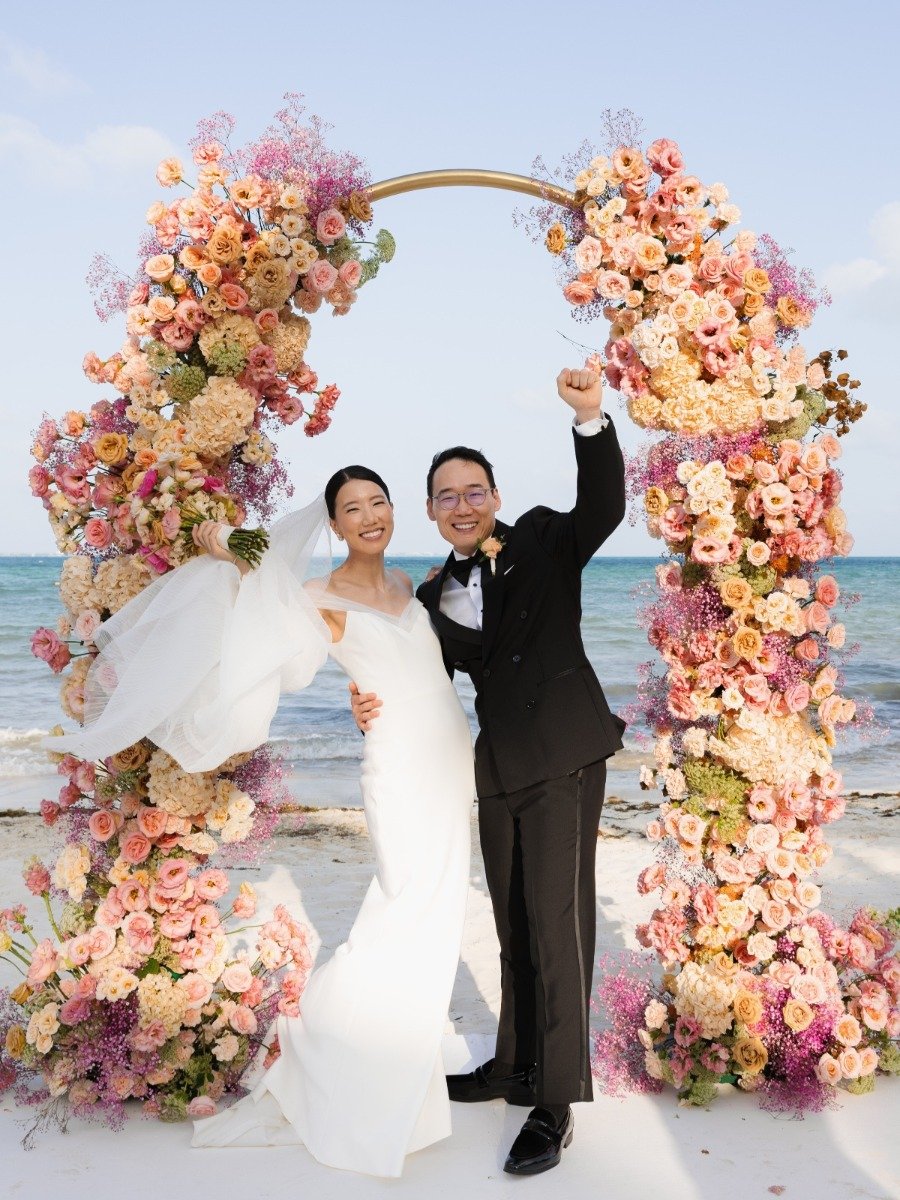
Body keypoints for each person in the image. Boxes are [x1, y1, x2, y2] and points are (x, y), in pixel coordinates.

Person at [42, 467, 475, 1179]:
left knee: (437, 909)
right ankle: (344, 1052)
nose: (368, 516)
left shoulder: (415, 588)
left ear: (395, 510)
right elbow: (264, 605)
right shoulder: (318, 595)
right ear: (333, 525)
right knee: (400, 905)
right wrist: (225, 543)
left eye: (377, 503)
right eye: (351, 509)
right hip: (397, 766)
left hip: (451, 759)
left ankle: (411, 1048)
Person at [350, 366, 626, 1176]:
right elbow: (413, 677)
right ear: (430, 510)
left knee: (558, 923)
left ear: (495, 497)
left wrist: (588, 419)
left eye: (474, 490)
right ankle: (513, 1065)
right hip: (497, 769)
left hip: (566, 756)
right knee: (512, 923)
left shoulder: (543, 537)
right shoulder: (434, 593)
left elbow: (604, 507)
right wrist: (366, 707)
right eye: (446, 494)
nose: (462, 504)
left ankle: (557, 1100)